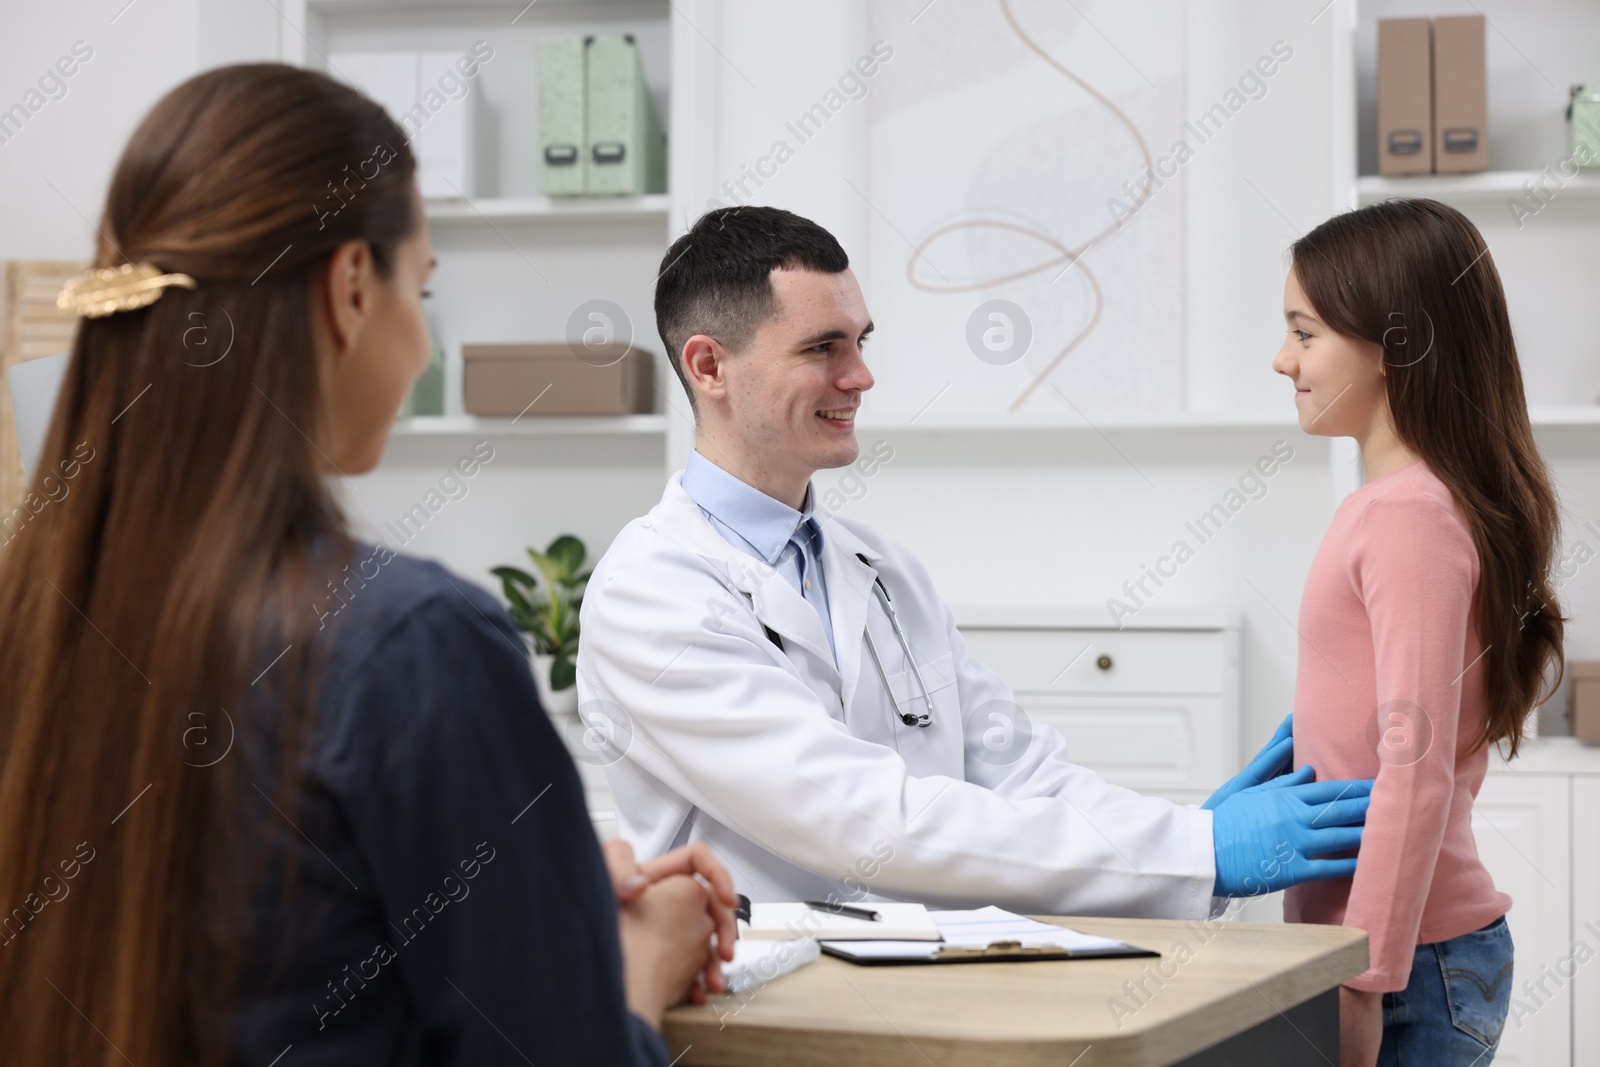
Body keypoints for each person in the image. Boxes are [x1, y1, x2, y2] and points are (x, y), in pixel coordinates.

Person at [0, 64, 734, 1067]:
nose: (423, 339)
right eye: (420, 286)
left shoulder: (31, 630)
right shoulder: (410, 648)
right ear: (350, 286)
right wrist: (634, 974)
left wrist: (540, 889)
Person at [576, 204, 1373, 917]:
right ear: (709, 366)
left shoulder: (880, 569)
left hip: (925, 988)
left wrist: (1183, 835)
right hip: (756, 1008)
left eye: (860, 342)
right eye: (823, 347)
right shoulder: (651, 594)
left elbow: (1020, 770)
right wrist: (1195, 853)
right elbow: (864, 819)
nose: (860, 376)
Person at [1272, 198, 1564, 1067]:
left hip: (1409, 967)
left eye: (1305, 331)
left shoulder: (1408, 518)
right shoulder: (1394, 508)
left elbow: (1415, 766)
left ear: (1394, 346)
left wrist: (1365, 975)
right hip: (1396, 956)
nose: (1282, 359)